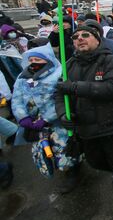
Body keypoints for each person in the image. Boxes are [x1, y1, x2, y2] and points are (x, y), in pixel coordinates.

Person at [55, 24, 113, 220]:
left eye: (85, 35)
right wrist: (63, 114)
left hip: (111, 124)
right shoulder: (68, 65)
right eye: (75, 37)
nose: (80, 38)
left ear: (97, 40)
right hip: (86, 128)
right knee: (95, 161)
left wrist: (75, 87)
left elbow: (112, 88)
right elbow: (59, 94)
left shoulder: (110, 60)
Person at [11, 44, 80, 190]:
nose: (34, 63)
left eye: (38, 59)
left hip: (57, 123)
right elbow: (17, 98)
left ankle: (73, 173)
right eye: (31, 60)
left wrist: (47, 118)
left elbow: (62, 99)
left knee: (65, 150)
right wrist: (23, 117)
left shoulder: (59, 74)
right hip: (35, 125)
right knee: (44, 151)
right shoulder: (22, 77)